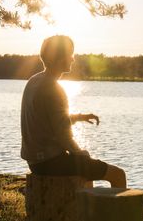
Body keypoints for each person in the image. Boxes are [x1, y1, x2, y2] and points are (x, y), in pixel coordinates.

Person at [21, 35, 126, 188]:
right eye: (70, 54)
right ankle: (118, 212)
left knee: (84, 163)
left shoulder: (34, 80)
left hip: (35, 162)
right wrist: (80, 152)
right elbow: (64, 135)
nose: (73, 59)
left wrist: (79, 117)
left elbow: (49, 121)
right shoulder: (54, 89)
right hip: (51, 162)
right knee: (117, 174)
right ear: (60, 58)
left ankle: (88, 207)